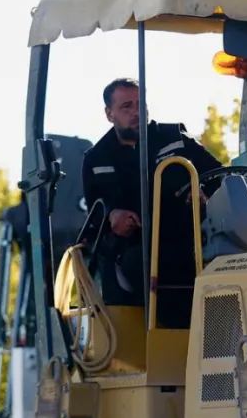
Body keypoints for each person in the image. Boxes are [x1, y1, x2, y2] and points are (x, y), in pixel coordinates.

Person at [82, 77, 224, 298]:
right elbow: (93, 215)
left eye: (141, 104)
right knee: (138, 263)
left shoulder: (176, 138)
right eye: (127, 106)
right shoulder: (95, 159)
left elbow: (220, 176)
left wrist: (203, 191)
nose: (136, 112)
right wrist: (112, 217)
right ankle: (174, 326)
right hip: (134, 249)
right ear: (109, 114)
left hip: (192, 239)